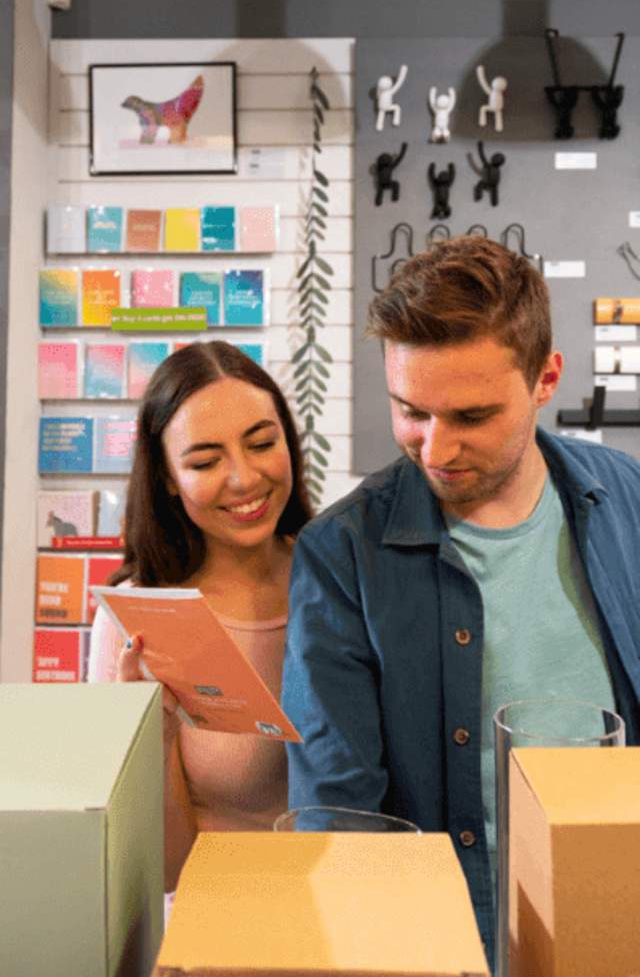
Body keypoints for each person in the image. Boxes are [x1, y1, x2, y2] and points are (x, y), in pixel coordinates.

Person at [282, 236, 640, 966]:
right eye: (410, 411)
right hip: (445, 946)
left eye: (471, 417)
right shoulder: (341, 555)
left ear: (546, 379)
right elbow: (340, 816)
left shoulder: (628, 499)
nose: (436, 447)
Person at [88, 341, 312, 892]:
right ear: (166, 476)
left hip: (349, 911)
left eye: (262, 443)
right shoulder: (138, 620)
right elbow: (157, 872)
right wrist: (154, 737)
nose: (243, 479)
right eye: (205, 461)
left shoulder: (340, 578)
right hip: (212, 925)